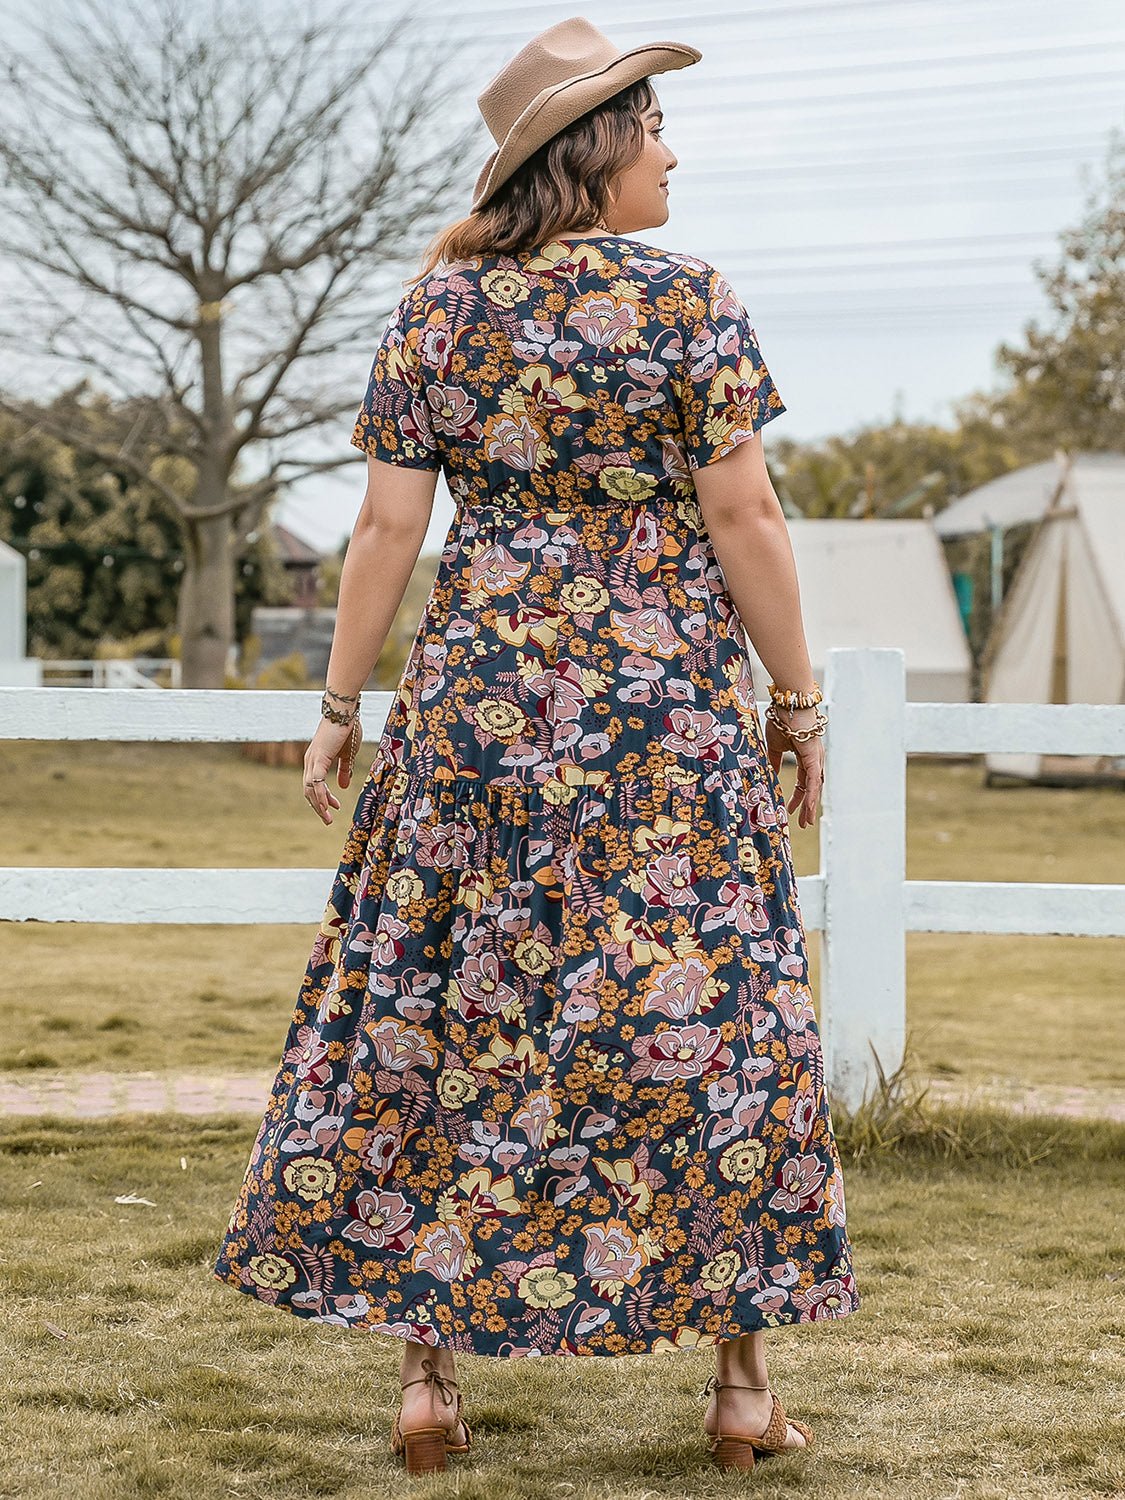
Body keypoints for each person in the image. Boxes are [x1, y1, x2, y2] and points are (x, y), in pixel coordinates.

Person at [213, 14, 860, 1476]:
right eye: (653, 129)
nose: (673, 151)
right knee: (712, 1021)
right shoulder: (686, 301)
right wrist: (798, 703)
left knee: (450, 1007)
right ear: (600, 149)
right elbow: (744, 517)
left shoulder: (437, 309)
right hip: (660, 721)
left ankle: (429, 1382)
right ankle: (742, 1386)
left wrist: (335, 706)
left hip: (481, 717)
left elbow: (388, 529)